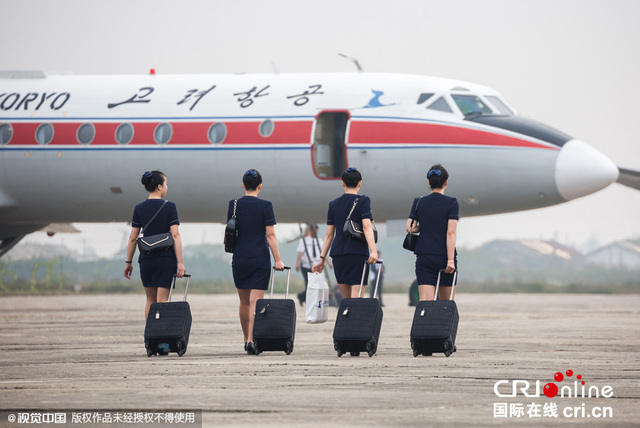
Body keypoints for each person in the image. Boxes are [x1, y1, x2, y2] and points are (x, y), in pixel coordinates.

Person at [228, 169, 285, 355]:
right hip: (259, 258)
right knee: (256, 302)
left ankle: (246, 340)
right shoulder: (266, 205)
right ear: (260, 186)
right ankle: (253, 339)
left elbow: (232, 231)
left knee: (244, 302)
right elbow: (270, 235)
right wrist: (278, 259)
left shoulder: (233, 204)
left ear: (243, 185)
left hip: (240, 257)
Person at [124, 170, 186, 321]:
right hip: (165, 259)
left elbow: (133, 238)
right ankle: (162, 336)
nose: (167, 187)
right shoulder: (170, 207)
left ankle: (150, 337)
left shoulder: (139, 208)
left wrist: (128, 262)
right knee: (163, 301)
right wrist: (180, 262)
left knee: (150, 301)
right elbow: (176, 235)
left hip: (147, 259)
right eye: (166, 184)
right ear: (159, 186)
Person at [312, 167, 378, 298]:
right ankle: (355, 318)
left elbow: (329, 234)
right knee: (357, 301)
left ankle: (345, 318)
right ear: (360, 183)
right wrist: (374, 251)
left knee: (346, 301)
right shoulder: (363, 201)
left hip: (338, 256)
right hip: (357, 254)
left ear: (342, 183)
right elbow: (366, 226)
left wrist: (321, 259)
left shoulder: (333, 204)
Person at [406, 164, 458, 301]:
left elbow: (410, 228)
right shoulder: (452, 203)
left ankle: (425, 322)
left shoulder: (419, 202)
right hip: (444, 257)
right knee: (446, 304)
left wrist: (427, 225)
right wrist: (451, 260)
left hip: (424, 256)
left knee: (425, 302)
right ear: (446, 182)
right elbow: (451, 233)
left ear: (429, 182)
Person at [295, 225, 332, 305]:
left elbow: (323, 253)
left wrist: (329, 263)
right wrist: (297, 263)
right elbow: (300, 253)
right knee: (309, 284)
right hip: (306, 265)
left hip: (316, 266)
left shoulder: (320, 241)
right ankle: (305, 299)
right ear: (311, 231)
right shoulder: (304, 240)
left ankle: (302, 297)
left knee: (315, 284)